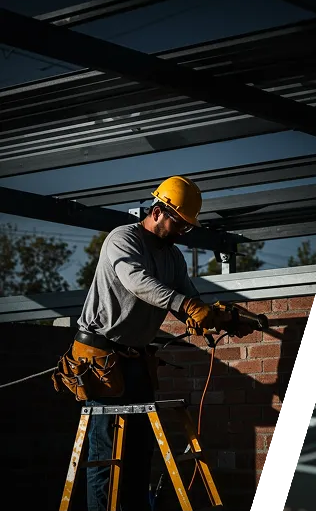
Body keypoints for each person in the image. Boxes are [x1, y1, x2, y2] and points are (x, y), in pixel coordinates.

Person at [54, 176, 221, 510]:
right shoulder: (122, 239)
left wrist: (219, 315)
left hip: (136, 362)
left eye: (187, 228)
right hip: (101, 360)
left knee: (140, 452)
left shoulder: (173, 257)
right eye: (179, 224)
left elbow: (190, 295)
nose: (181, 234)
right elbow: (138, 283)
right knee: (106, 457)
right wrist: (186, 306)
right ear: (158, 212)